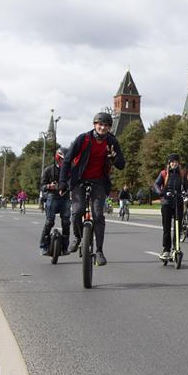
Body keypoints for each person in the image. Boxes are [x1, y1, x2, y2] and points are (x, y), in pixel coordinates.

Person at [58, 111, 126, 266]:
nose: (103, 128)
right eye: (100, 124)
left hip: (99, 182)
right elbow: (67, 160)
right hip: (79, 180)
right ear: (95, 125)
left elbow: (121, 165)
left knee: (98, 215)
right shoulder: (83, 139)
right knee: (78, 211)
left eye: (106, 125)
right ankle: (77, 237)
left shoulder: (112, 141)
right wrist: (62, 182)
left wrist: (114, 157)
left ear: (109, 127)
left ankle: (100, 251)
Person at [154, 154, 188, 261]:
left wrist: (187, 193)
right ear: (169, 163)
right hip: (166, 203)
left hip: (178, 202)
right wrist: (160, 192)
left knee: (178, 227)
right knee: (166, 227)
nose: (174, 164)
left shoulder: (182, 174)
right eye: (172, 162)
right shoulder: (164, 173)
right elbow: (156, 184)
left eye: (176, 162)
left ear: (178, 163)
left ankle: (176, 247)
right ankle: (166, 250)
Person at [39, 148, 72, 255]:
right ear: (58, 158)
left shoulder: (70, 171)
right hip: (52, 197)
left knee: (66, 222)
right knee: (49, 222)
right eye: (62, 160)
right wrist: (49, 186)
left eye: (65, 160)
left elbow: (74, 183)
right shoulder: (49, 170)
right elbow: (41, 186)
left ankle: (65, 248)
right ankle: (43, 246)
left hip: (65, 198)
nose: (64, 162)